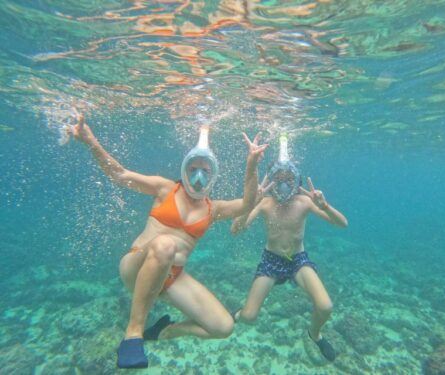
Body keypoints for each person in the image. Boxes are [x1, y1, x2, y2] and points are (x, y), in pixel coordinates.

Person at [70, 112, 267, 369]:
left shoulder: (213, 208)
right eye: (192, 169)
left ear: (214, 175)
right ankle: (133, 333)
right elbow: (119, 175)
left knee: (223, 327)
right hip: (137, 264)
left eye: (205, 171)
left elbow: (247, 204)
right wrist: (90, 141)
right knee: (166, 245)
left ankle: (165, 331)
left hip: (170, 278)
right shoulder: (165, 188)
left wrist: (251, 164)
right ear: (183, 169)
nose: (198, 177)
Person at [231, 134, 347, 362]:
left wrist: (326, 206)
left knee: (325, 307)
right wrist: (251, 202)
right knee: (249, 316)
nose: (283, 184)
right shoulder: (265, 203)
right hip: (270, 261)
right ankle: (236, 314)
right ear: (271, 179)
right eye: (278, 178)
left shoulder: (304, 202)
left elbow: (342, 223)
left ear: (296, 180)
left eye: (288, 179)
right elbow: (235, 230)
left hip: (297, 260)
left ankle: (315, 334)